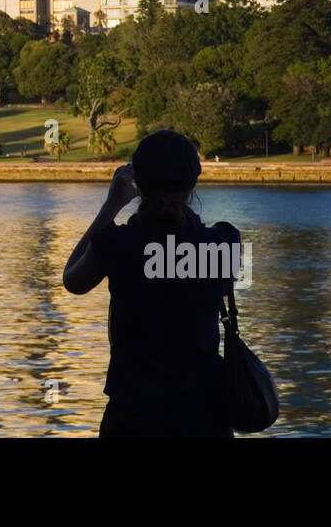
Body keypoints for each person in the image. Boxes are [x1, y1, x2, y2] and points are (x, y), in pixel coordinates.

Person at [63, 129, 241, 437]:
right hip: (204, 414)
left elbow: (72, 280)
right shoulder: (224, 240)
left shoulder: (116, 244)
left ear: (138, 185)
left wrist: (111, 206)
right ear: (193, 183)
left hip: (132, 414)